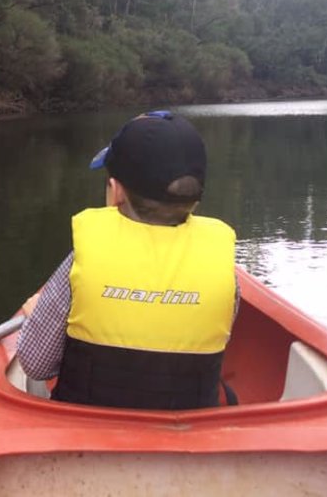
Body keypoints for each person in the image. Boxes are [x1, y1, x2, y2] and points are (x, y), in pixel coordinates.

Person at [15, 110, 238, 410]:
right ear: (194, 198)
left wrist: (36, 317)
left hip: (88, 429)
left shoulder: (80, 260)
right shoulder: (221, 268)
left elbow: (36, 365)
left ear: (116, 191)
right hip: (186, 431)